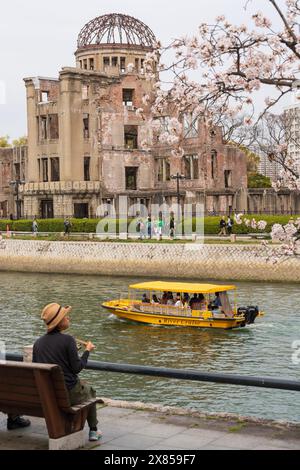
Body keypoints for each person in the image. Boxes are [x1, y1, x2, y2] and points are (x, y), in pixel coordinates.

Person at [32, 303, 102, 442]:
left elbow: (39, 366)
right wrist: (87, 351)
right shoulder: (68, 339)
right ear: (59, 322)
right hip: (67, 394)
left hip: (47, 394)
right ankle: (93, 430)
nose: (68, 317)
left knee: (83, 387)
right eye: (65, 316)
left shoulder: (38, 343)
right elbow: (77, 368)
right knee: (90, 390)